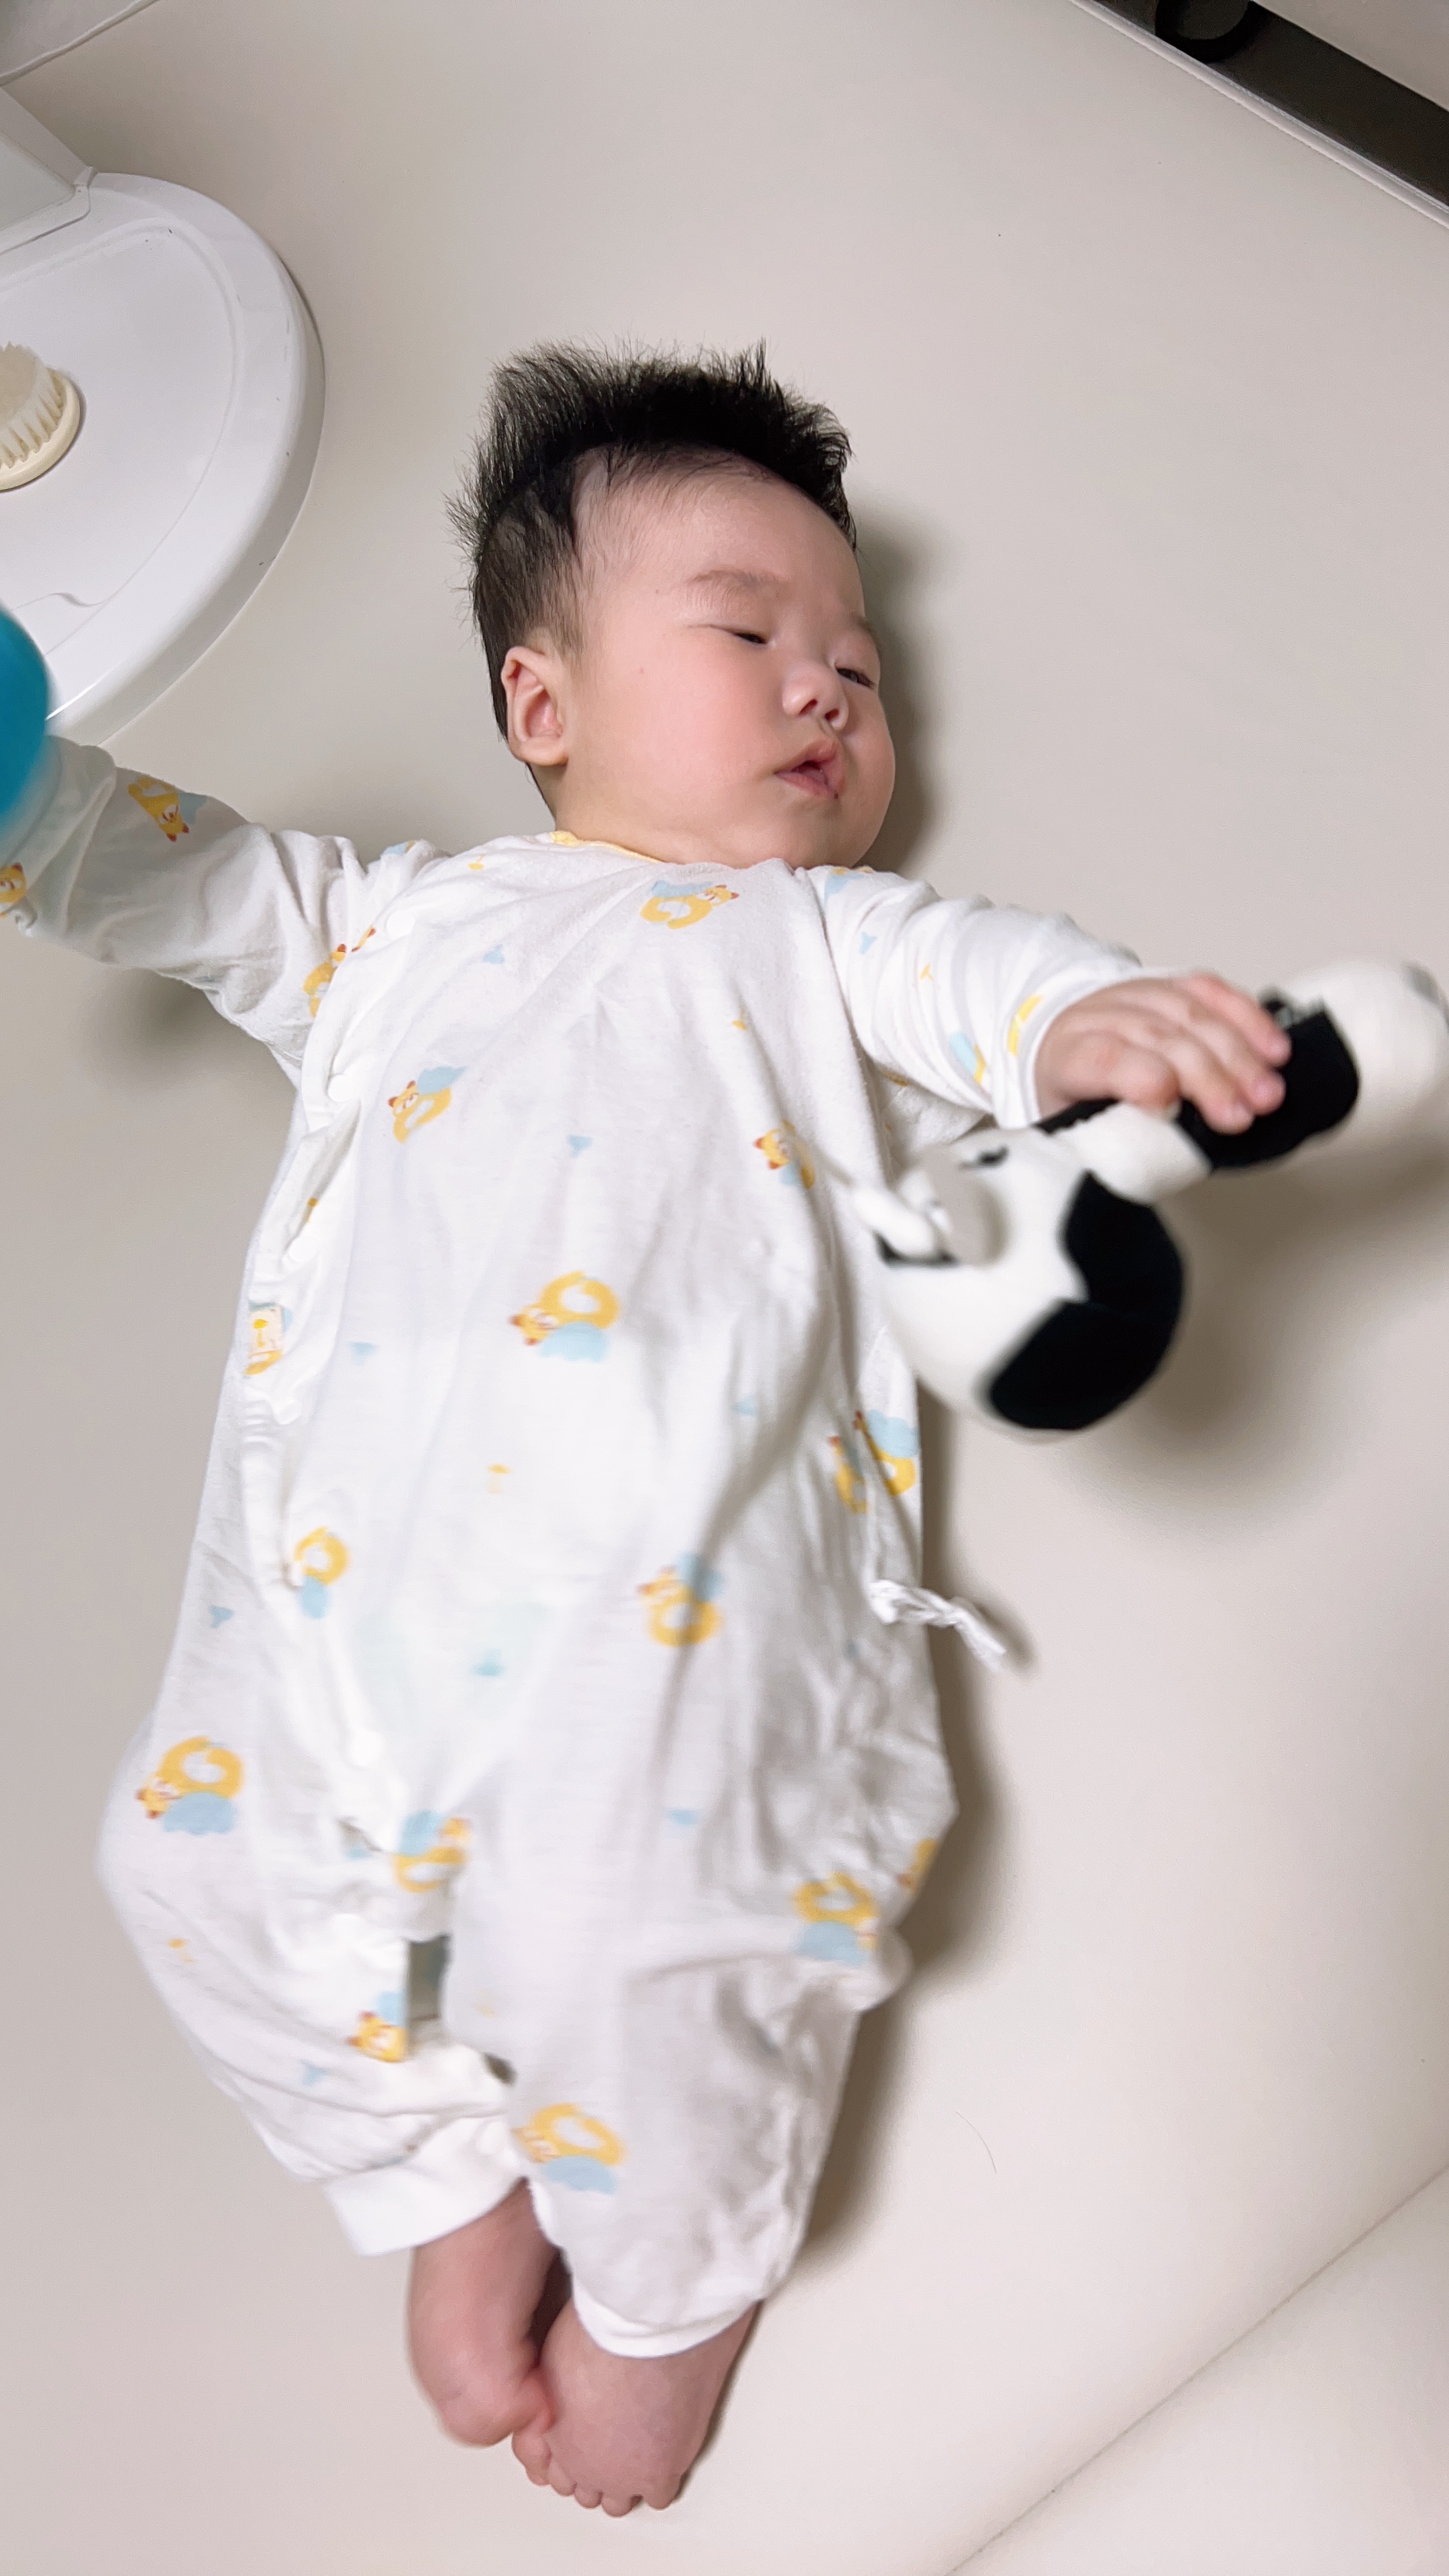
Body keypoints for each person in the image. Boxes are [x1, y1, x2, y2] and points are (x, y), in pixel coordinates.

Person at [0, 344, 1288, 2516]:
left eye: (858, 662)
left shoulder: (822, 939)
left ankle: (676, 2297)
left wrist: (1093, 1015)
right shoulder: (394, 927)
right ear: (543, 704)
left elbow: (987, 986)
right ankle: (439, 2166)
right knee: (184, 1862)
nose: (827, 687)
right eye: (748, 630)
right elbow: (177, 878)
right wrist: (29, 798)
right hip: (335, 1592)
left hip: (664, 1601)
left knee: (652, 1919)